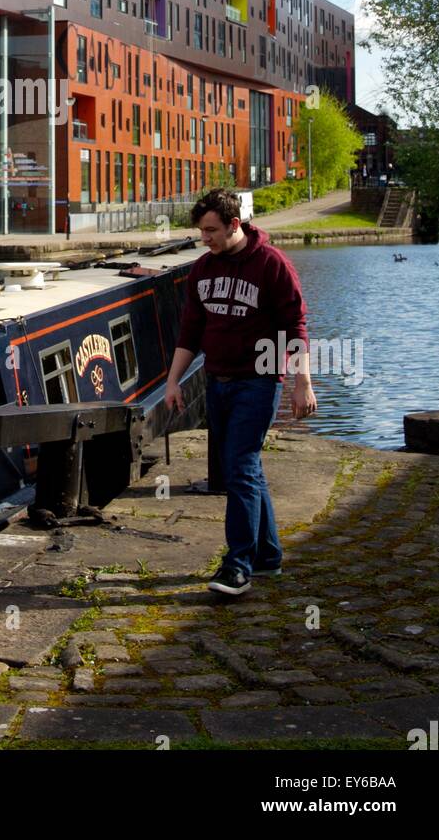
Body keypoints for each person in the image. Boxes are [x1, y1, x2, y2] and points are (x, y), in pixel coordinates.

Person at [164, 188, 316, 596]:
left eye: (211, 230)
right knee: (247, 468)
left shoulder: (272, 264)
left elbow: (295, 327)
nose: (205, 238)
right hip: (218, 380)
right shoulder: (202, 269)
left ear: (235, 225)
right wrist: (173, 380)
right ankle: (268, 556)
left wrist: (303, 382)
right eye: (201, 231)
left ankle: (237, 565)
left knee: (239, 467)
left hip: (259, 381)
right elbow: (190, 332)